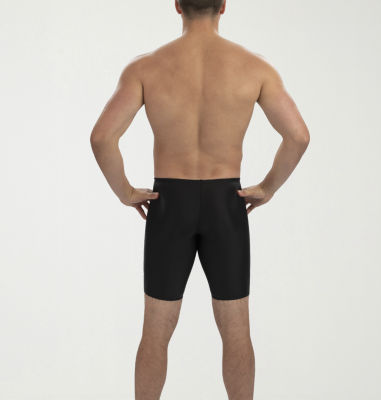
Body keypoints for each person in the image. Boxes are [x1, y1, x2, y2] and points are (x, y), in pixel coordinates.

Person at [90, 0, 310, 398]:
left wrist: (125, 192)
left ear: (177, 5)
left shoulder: (145, 68)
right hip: (226, 205)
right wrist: (268, 187)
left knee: (155, 331)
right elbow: (298, 136)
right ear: (223, 5)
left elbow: (102, 137)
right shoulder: (255, 68)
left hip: (169, 204)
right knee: (236, 330)